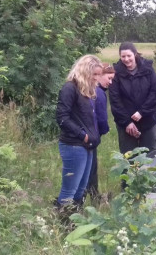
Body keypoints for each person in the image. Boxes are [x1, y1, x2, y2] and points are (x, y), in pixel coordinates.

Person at [54, 55, 103, 209]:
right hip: (74, 145)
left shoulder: (87, 91)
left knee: (81, 190)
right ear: (85, 72)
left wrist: (91, 138)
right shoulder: (69, 88)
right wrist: (83, 135)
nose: (97, 78)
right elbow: (62, 117)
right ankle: (63, 222)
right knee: (70, 190)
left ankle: (74, 221)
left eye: (98, 74)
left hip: (87, 145)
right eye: (93, 74)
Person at [109, 42, 156, 156]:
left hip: (148, 120)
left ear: (135, 54)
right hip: (126, 124)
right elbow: (115, 100)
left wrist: (142, 112)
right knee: (129, 157)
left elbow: (155, 92)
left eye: (129, 56)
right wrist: (127, 122)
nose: (126, 59)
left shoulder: (148, 69)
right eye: (123, 56)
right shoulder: (116, 73)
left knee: (150, 155)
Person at [86, 63, 115, 200]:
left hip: (84, 134)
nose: (110, 82)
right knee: (91, 169)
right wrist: (104, 131)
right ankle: (93, 196)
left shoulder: (87, 89)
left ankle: (91, 195)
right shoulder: (99, 93)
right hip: (92, 135)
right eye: (108, 78)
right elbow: (102, 119)